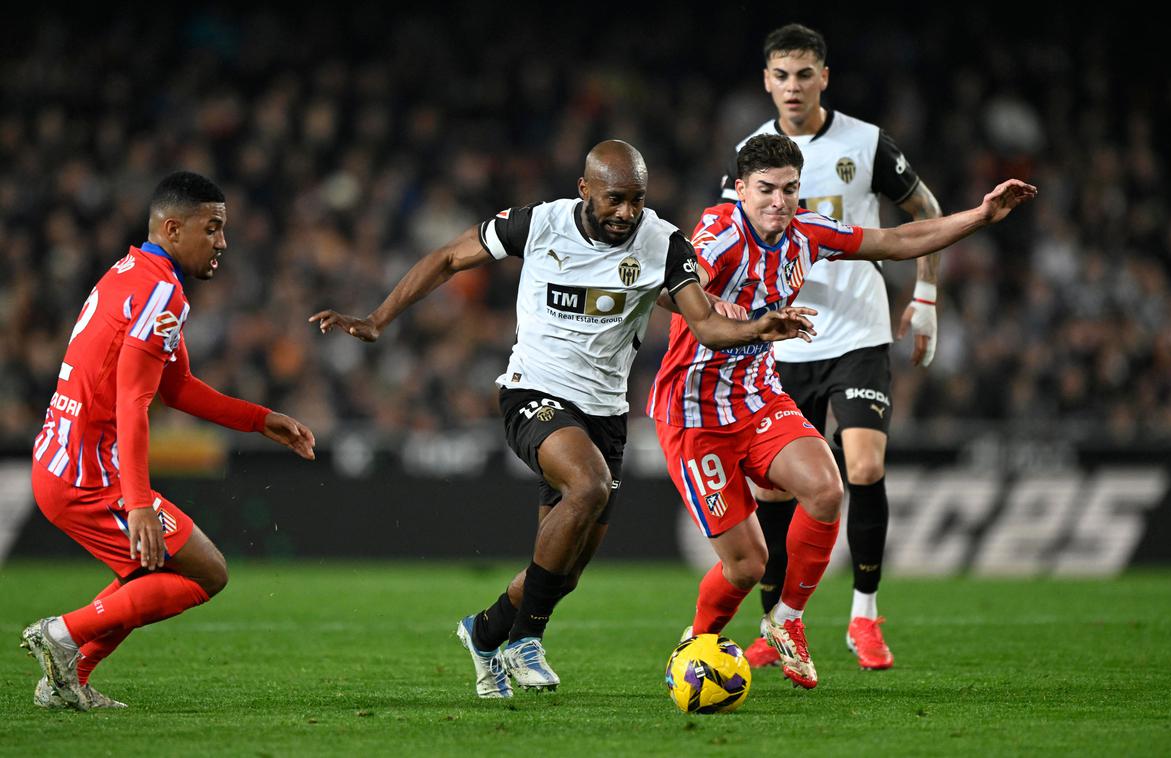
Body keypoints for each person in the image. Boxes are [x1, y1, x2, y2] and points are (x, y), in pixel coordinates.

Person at [309, 140, 816, 699]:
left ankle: (484, 632)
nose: (627, 213)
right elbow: (449, 257)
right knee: (588, 483)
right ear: (585, 190)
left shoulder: (664, 243)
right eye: (615, 199)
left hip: (605, 414)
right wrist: (379, 320)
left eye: (637, 201)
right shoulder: (537, 225)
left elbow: (705, 324)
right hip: (534, 394)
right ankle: (527, 641)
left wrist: (759, 327)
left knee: (565, 571)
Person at [651, 134, 1034, 688]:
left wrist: (980, 215)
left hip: (757, 398)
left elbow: (898, 239)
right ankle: (698, 641)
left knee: (828, 490)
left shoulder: (804, 233)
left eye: (789, 189)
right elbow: (670, 288)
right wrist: (706, 302)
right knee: (748, 566)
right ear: (740, 190)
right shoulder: (718, 234)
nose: (778, 201)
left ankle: (786, 621)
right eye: (765, 190)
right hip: (695, 416)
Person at [20, 171, 316, 711]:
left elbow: (174, 388)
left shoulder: (129, 272)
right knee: (206, 572)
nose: (223, 241)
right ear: (174, 228)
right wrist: (136, 503)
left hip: (61, 461)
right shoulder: (162, 292)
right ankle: (62, 635)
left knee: (147, 573)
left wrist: (258, 419)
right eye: (214, 228)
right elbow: (133, 402)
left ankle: (67, 682)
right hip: (89, 476)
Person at [719, 23, 947, 671]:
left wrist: (925, 295)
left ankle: (865, 618)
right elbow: (727, 245)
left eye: (804, 74)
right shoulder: (749, 153)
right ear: (767, 80)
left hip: (858, 332)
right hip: (779, 344)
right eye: (781, 76)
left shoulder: (866, 143)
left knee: (865, 468)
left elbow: (922, 211)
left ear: (824, 77)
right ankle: (778, 628)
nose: (793, 87)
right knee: (773, 495)